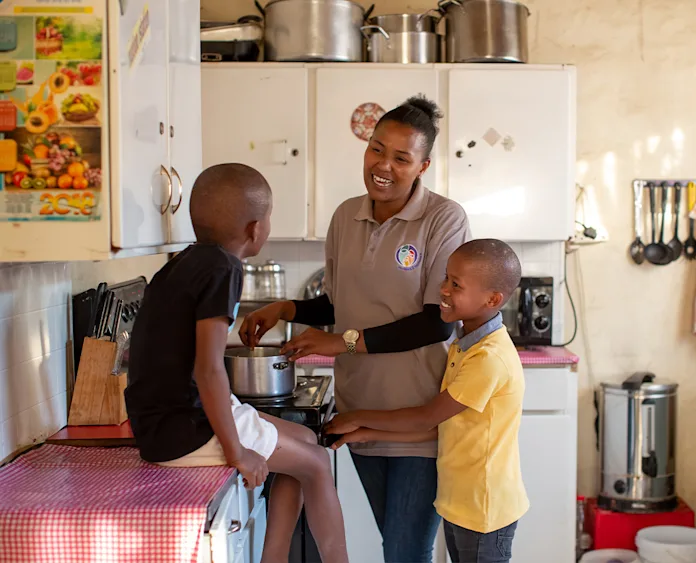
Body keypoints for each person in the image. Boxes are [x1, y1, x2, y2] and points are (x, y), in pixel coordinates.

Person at [239, 95, 471, 562]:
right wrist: (286, 308)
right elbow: (341, 303)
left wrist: (342, 342)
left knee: (406, 551)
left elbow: (436, 323)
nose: (383, 165)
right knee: (394, 545)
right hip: (359, 411)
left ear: (423, 165)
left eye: (401, 158)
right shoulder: (347, 215)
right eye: (376, 149)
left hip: (418, 417)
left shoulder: (443, 219)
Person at [124, 163, 348, 563]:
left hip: (165, 420)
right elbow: (207, 368)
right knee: (316, 463)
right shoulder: (224, 267)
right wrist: (237, 452)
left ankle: (273, 558)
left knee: (308, 440)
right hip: (181, 430)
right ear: (254, 228)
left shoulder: (188, 261)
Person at [325, 239, 529, 563]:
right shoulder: (465, 346)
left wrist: (357, 416)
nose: (443, 290)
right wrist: (365, 432)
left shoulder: (489, 359)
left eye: (456, 284)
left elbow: (426, 418)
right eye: (446, 278)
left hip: (484, 509)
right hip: (462, 504)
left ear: (492, 299)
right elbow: (441, 431)